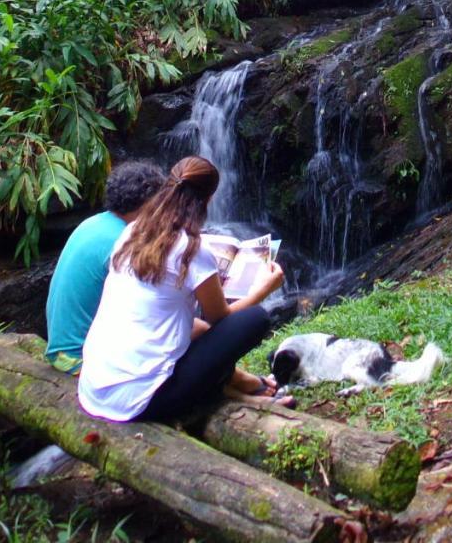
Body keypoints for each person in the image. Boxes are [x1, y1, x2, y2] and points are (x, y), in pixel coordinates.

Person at [78, 156, 287, 422]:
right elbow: (221, 318)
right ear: (208, 199)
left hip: (94, 387)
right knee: (254, 319)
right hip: (139, 403)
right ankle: (230, 391)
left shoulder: (132, 232)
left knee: (198, 329)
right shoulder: (191, 249)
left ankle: (237, 387)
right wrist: (261, 290)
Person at [44, 160, 167, 374]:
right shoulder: (123, 242)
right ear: (147, 205)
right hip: (80, 359)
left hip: (61, 350)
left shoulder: (94, 223)